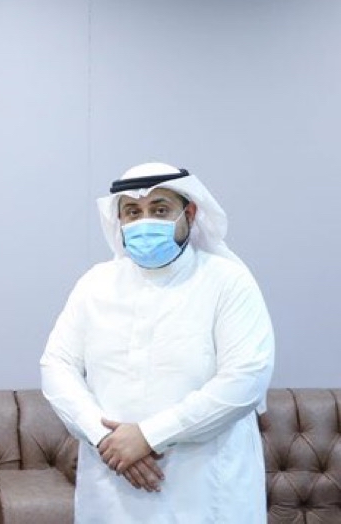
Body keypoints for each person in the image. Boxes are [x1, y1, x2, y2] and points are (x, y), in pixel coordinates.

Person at [40, 162, 275, 523]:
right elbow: (57, 365)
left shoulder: (227, 281)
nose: (145, 221)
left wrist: (149, 436)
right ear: (119, 220)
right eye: (132, 212)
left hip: (206, 490)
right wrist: (105, 439)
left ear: (189, 213)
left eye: (160, 209)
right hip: (113, 484)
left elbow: (246, 378)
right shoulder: (95, 284)